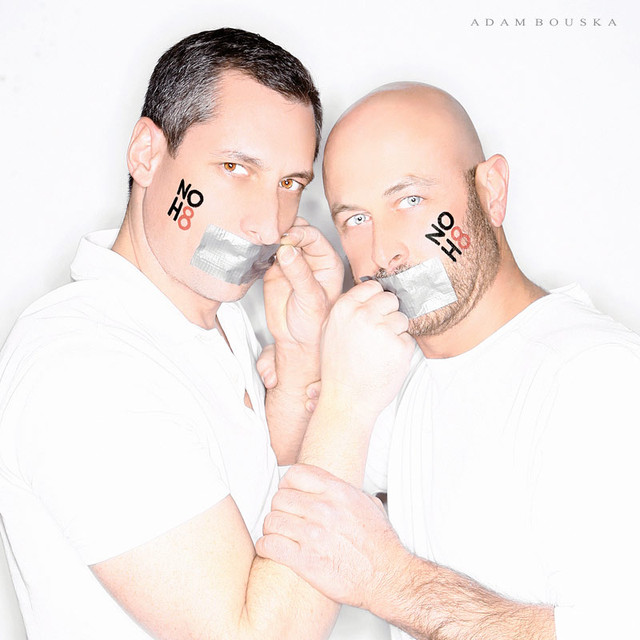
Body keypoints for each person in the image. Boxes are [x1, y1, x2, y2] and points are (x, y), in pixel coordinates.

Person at [0, 30, 413, 639]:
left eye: (290, 184)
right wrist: (346, 401)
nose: (266, 224)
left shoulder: (215, 317)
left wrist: (300, 362)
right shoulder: (80, 367)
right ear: (147, 154)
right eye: (235, 168)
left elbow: (264, 520)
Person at [256, 82, 640, 639]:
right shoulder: (406, 373)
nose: (385, 252)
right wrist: (303, 360)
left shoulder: (593, 380)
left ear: (492, 192)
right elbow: (296, 514)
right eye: (356, 219)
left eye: (410, 200)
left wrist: (390, 582)